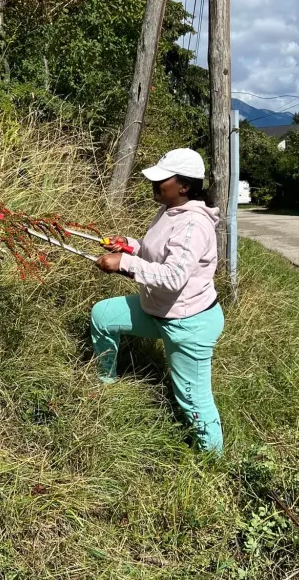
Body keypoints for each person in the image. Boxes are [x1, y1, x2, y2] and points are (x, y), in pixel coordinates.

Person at [90, 148, 224, 453]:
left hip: (188, 324)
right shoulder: (168, 209)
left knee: (193, 401)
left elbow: (174, 276)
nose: (155, 184)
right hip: (157, 309)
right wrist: (129, 246)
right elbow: (157, 252)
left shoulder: (193, 224)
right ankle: (105, 383)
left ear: (184, 186)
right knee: (103, 315)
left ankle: (214, 461)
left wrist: (124, 264)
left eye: (163, 179)